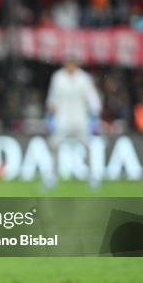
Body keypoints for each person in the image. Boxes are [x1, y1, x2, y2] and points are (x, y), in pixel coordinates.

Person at [45, 56, 102, 188]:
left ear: (76, 64)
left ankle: (92, 177)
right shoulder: (58, 78)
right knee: (54, 146)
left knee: (87, 147)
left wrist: (95, 113)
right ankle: (52, 178)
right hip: (62, 118)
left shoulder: (84, 78)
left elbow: (93, 98)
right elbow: (52, 99)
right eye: (68, 63)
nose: (70, 66)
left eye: (72, 63)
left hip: (80, 118)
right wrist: (49, 116)